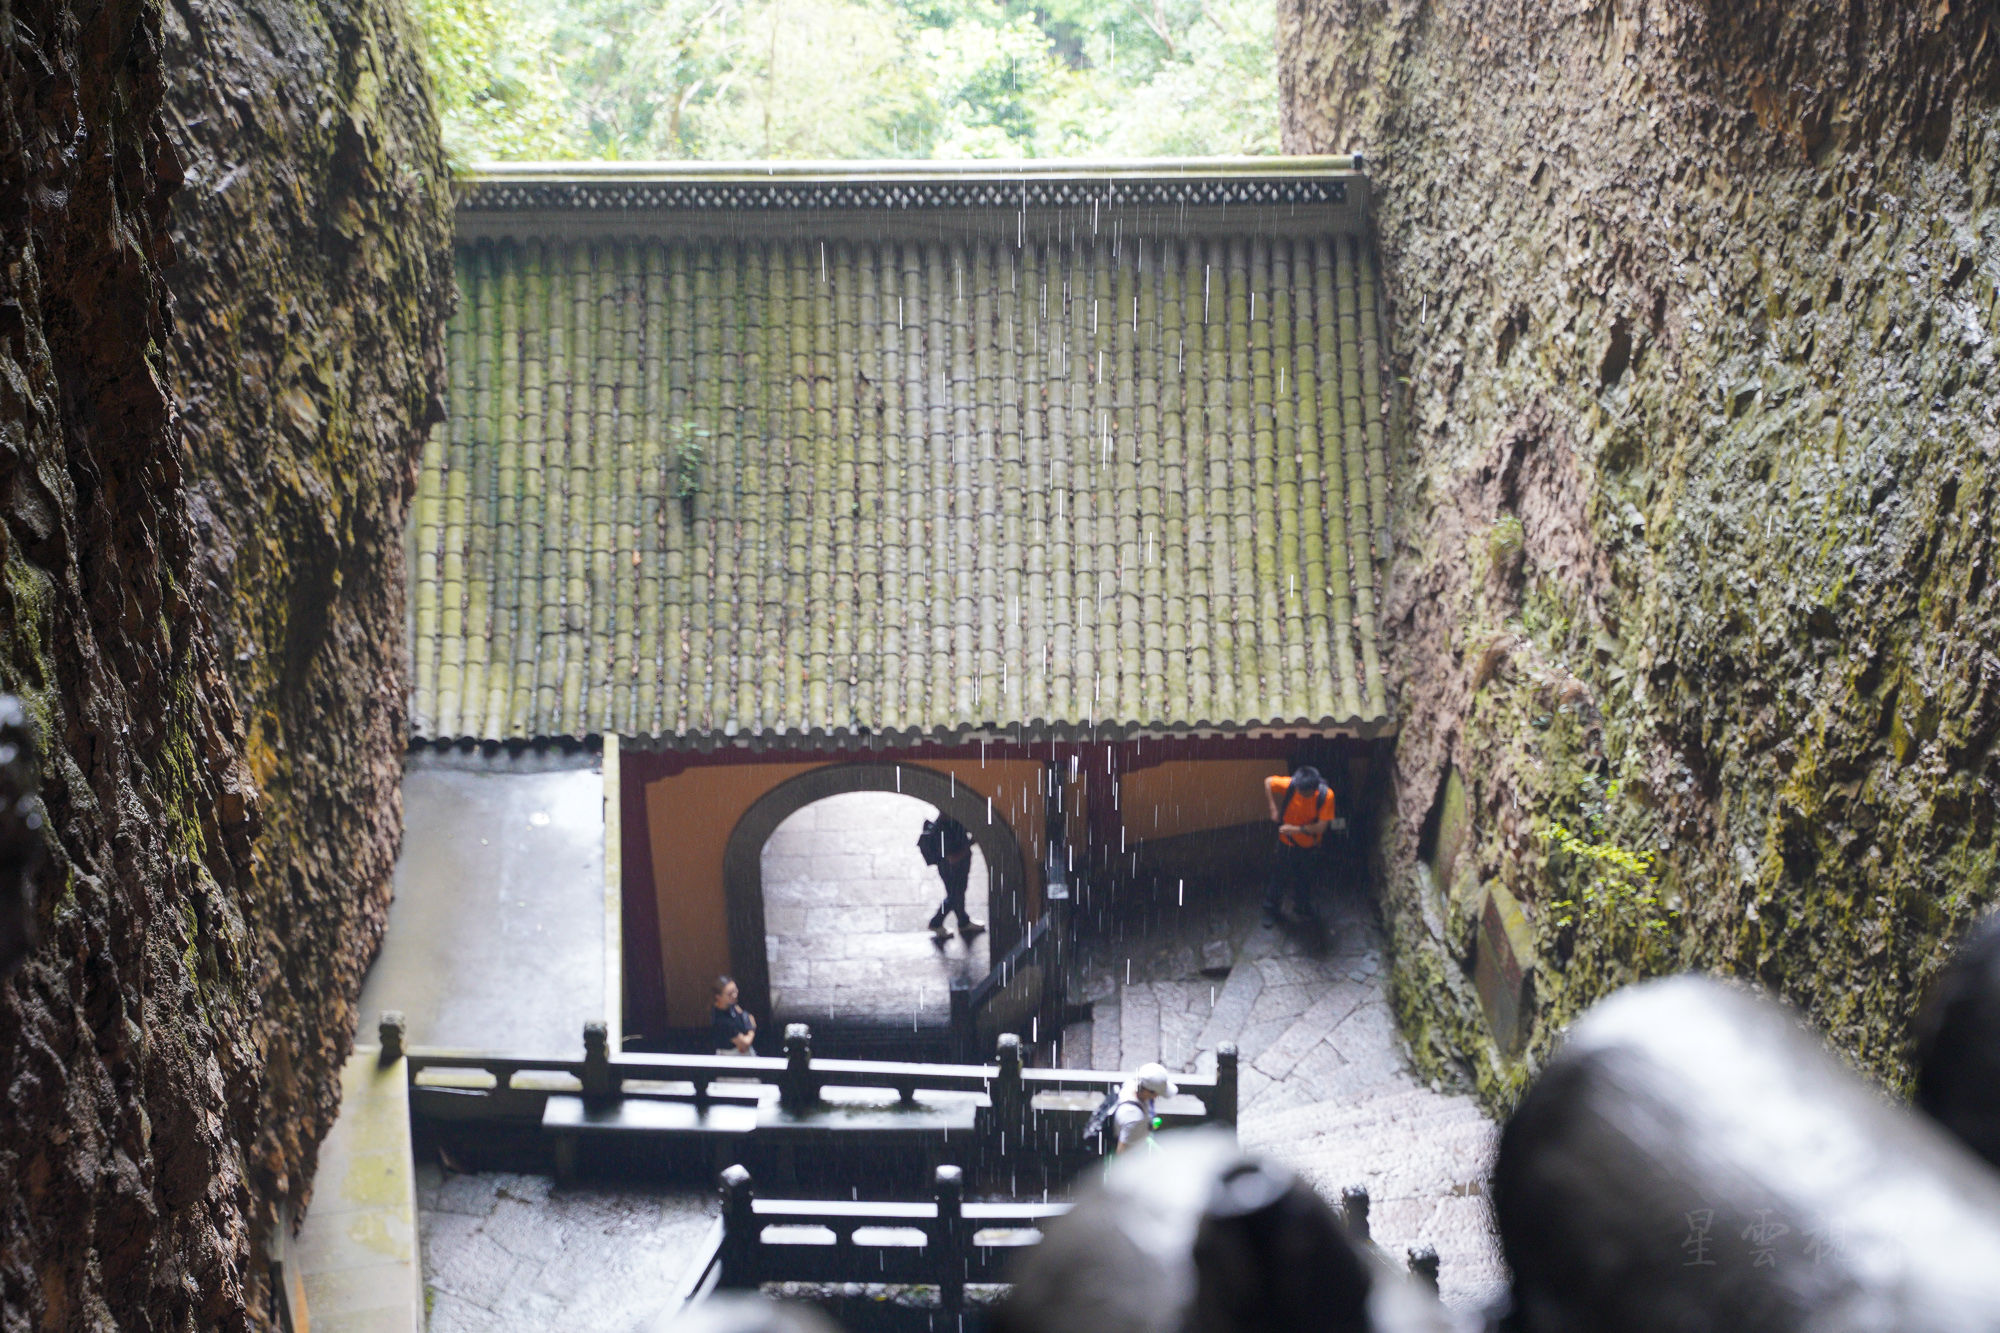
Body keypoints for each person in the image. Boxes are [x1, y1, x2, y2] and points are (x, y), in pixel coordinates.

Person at [1263, 766, 1335, 927]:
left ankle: (1301, 907)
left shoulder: (1326, 796)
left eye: (1306, 793)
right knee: (1279, 876)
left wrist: (1294, 829)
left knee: (1305, 878)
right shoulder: (1291, 785)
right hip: (1286, 843)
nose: (1302, 794)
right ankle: (1270, 909)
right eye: (1300, 791)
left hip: (1310, 845)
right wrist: (1272, 807)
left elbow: (1321, 827)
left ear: (1315, 788)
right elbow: (1268, 782)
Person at [918, 812, 986, 941]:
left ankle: (963, 921)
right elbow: (952, 857)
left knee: (957, 893)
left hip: (955, 867)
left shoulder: (950, 821)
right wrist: (969, 844)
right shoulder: (945, 828)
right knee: (955, 895)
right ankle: (936, 922)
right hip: (952, 868)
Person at [1112, 1062, 1177, 1154]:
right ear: (1147, 1091)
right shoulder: (1134, 1117)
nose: (1155, 1097)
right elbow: (1122, 1150)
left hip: (1138, 1137)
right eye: (1156, 1094)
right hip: (1135, 1150)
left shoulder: (1131, 1084)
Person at [711, 974, 756, 1055]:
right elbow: (744, 1044)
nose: (734, 995)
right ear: (718, 997)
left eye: (735, 990)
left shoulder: (731, 1004)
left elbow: (743, 1014)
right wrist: (751, 1029)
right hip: (732, 1057)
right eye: (729, 994)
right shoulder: (721, 1020)